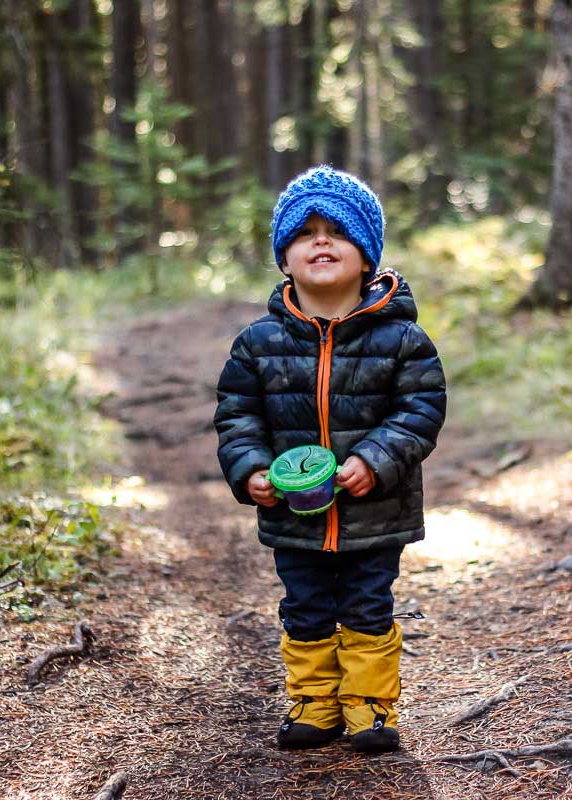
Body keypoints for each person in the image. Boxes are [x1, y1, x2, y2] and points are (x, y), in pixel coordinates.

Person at [214, 165, 447, 753]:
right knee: (305, 605)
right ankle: (314, 704)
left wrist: (376, 457)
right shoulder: (258, 343)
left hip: (376, 509)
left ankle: (370, 707)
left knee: (369, 604)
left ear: (366, 256)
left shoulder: (402, 340)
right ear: (284, 259)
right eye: (305, 233)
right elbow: (237, 416)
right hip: (295, 513)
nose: (321, 241)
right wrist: (251, 470)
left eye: (337, 231)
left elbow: (420, 410)